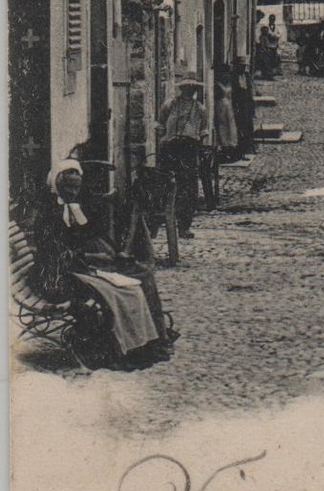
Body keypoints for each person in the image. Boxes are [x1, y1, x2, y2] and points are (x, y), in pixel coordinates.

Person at [34, 159, 174, 367]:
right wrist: (89, 259)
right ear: (57, 185)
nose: (73, 192)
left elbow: (85, 236)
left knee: (131, 287)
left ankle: (144, 343)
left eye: (76, 187)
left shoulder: (74, 208)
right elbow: (54, 253)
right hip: (59, 276)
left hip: (77, 267)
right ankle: (129, 347)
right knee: (122, 293)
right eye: (68, 188)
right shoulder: (49, 214)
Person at [156, 76, 207, 237]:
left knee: (188, 187)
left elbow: (203, 131)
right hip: (171, 147)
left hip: (189, 149)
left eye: (193, 88)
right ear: (181, 89)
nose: (189, 91)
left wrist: (198, 145)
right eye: (186, 88)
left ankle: (184, 226)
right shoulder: (170, 105)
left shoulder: (199, 108)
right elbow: (159, 124)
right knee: (163, 183)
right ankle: (156, 223)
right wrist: (164, 139)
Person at [230, 57, 255, 158]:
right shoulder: (233, 76)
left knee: (248, 127)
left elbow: (250, 91)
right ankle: (239, 151)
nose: (243, 68)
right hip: (238, 105)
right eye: (241, 66)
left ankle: (248, 148)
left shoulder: (247, 76)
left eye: (244, 66)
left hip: (246, 104)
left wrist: (252, 107)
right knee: (239, 128)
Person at [214, 68, 240, 160]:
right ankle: (225, 147)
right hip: (221, 104)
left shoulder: (229, 82)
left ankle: (230, 146)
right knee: (222, 125)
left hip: (228, 104)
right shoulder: (218, 84)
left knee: (230, 126)